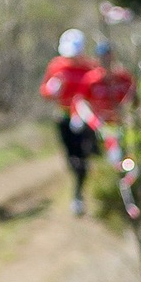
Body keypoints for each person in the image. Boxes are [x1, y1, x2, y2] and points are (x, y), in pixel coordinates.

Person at [40, 29, 103, 215]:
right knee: (71, 157)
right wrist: (51, 90)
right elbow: (44, 90)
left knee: (82, 155)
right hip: (63, 116)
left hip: (84, 117)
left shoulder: (91, 67)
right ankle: (78, 185)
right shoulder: (56, 66)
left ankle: (78, 194)